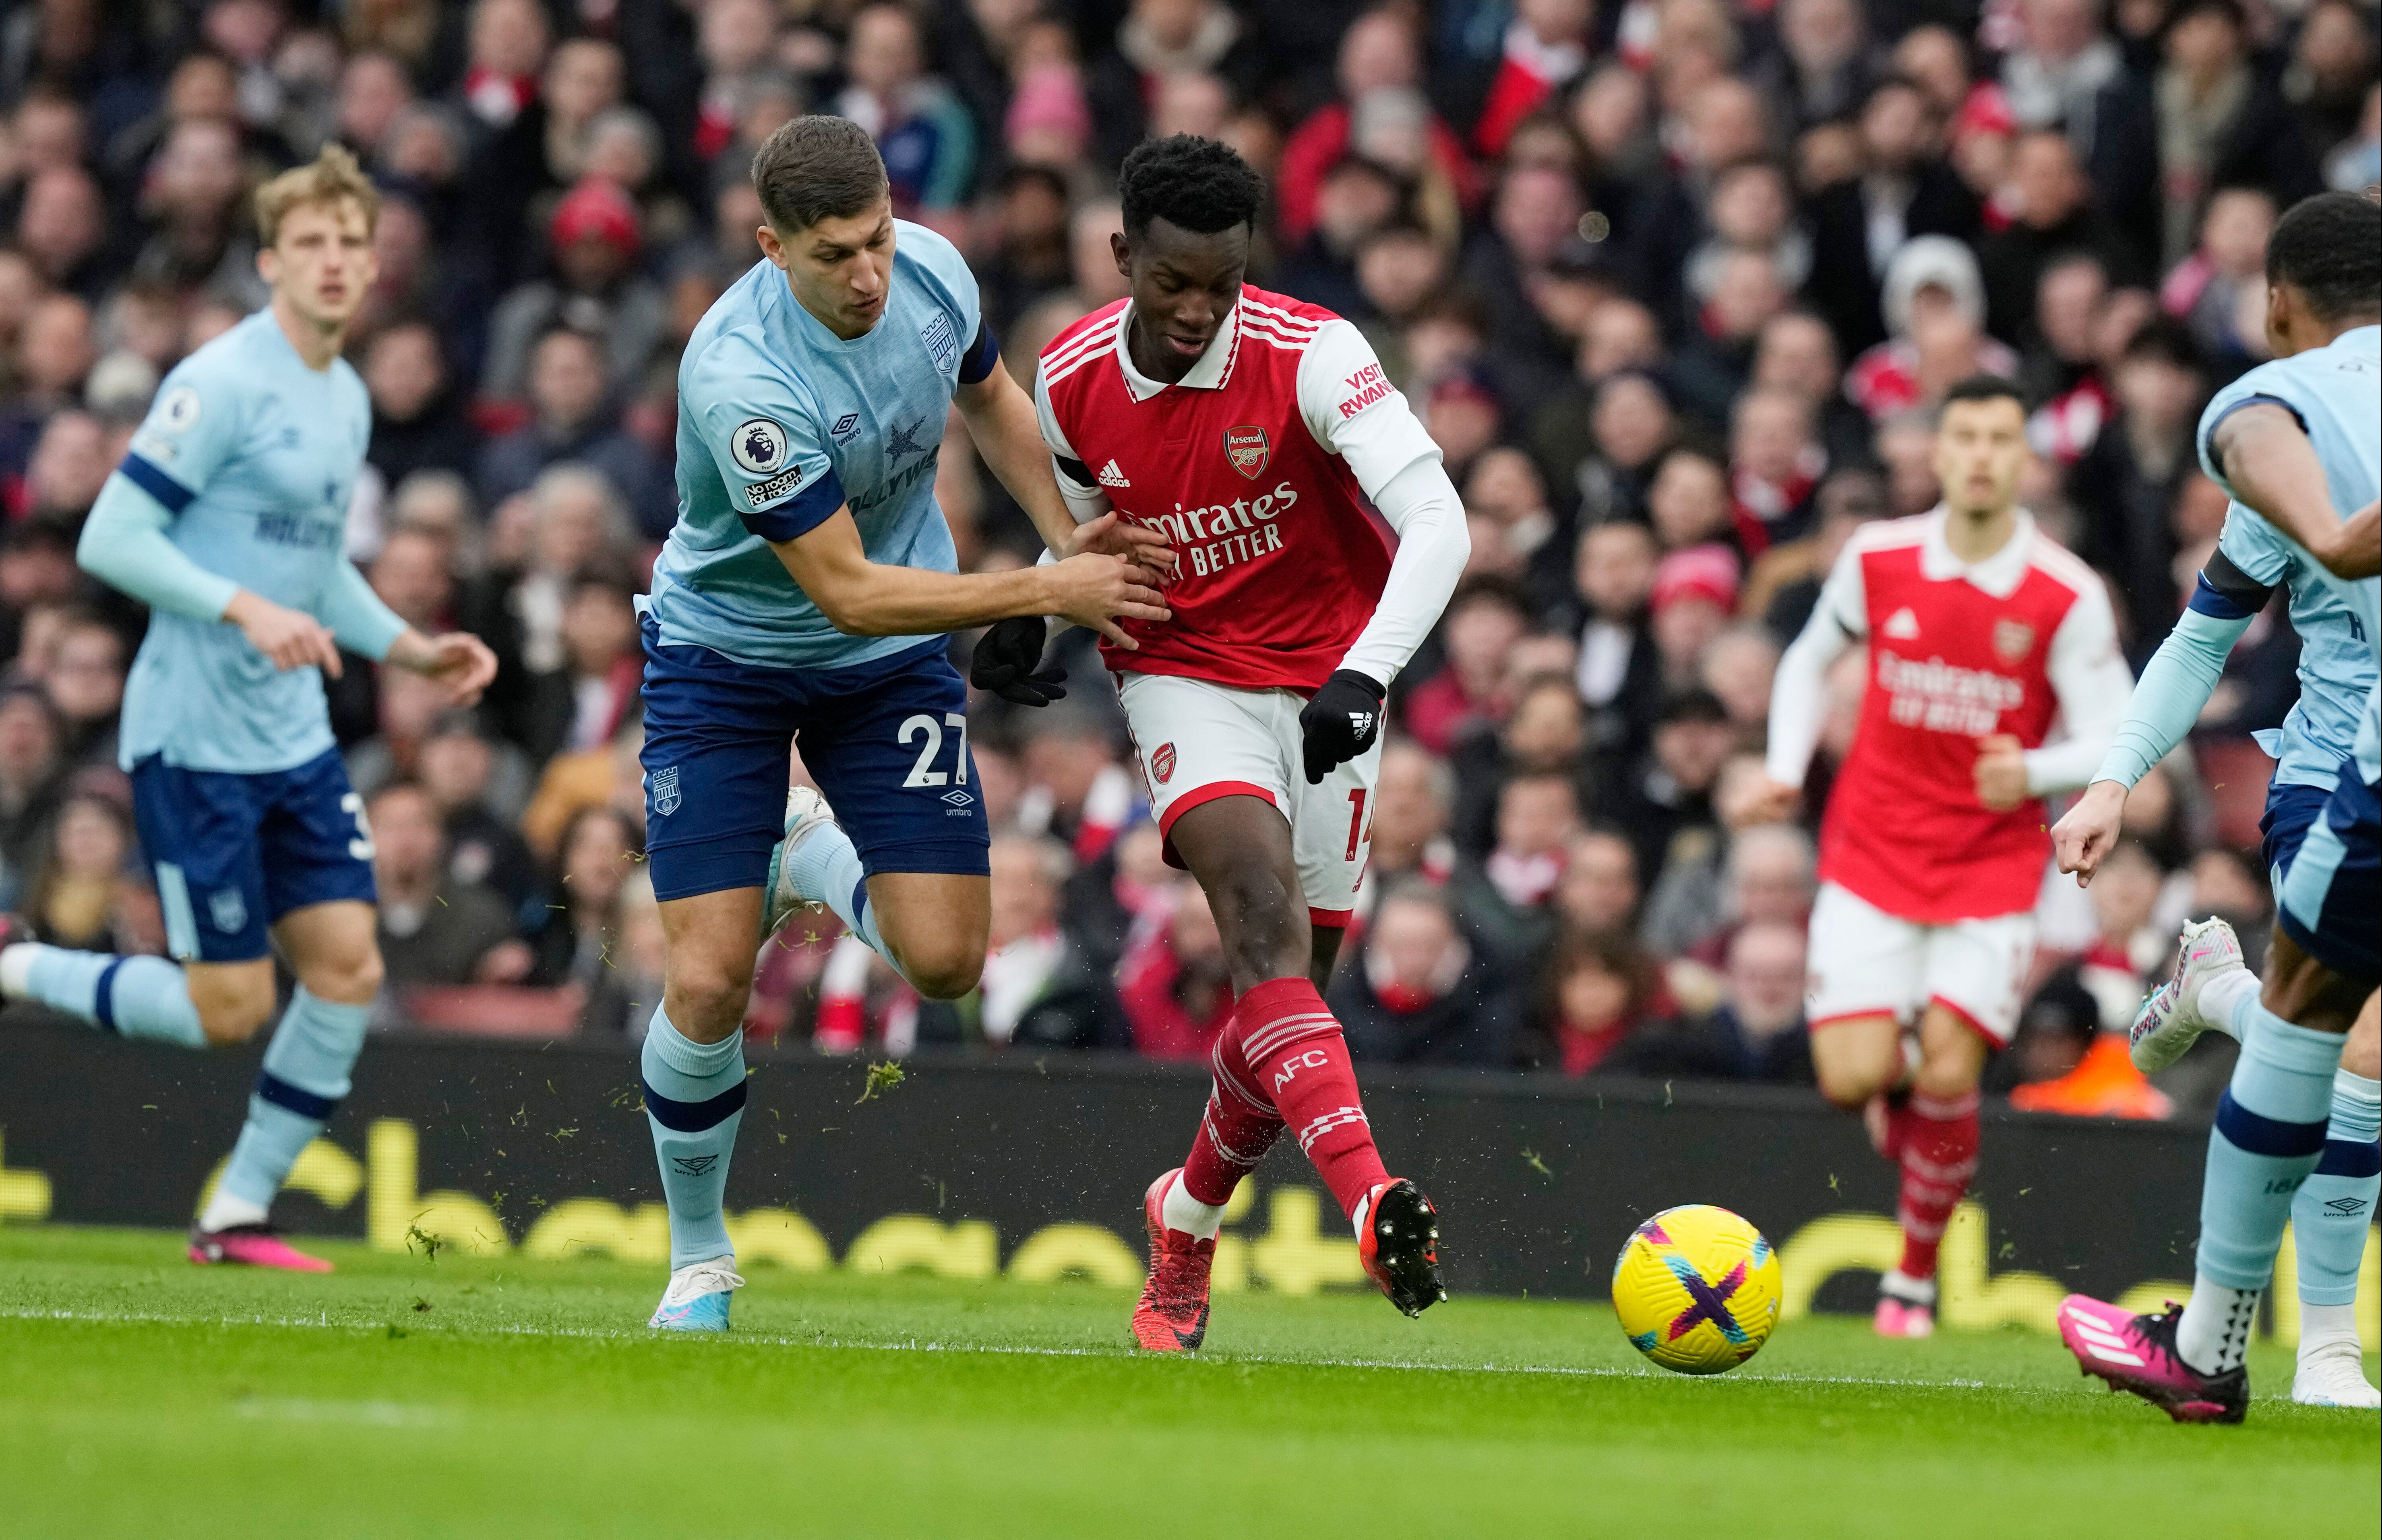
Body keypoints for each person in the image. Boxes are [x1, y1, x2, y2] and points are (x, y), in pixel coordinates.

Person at [631, 117, 1166, 1333]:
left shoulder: (931, 271)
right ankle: (701, 1261)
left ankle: (804, 850)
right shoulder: (739, 379)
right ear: (771, 247)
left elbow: (992, 400)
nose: (868, 273)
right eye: (834, 255)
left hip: (881, 670)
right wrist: (1040, 590)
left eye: (875, 238)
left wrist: (1061, 532)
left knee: (948, 962)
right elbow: (844, 588)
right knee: (709, 981)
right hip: (728, 664)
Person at [1001, 134, 1468, 1351]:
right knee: (1254, 913)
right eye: (1172, 285)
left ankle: (1187, 1217)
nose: (1199, 310)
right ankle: (1372, 1203)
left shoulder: (1312, 354)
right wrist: (1034, 608)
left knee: (1286, 1007)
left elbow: (1436, 519)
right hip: (1180, 668)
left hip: (1327, 678)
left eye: (1222, 281)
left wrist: (1366, 672)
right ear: (1122, 259)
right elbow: (1087, 539)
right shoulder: (1064, 381)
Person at [0, 148, 498, 1272]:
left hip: (294, 740)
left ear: (373, 267)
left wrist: (412, 649)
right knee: (225, 1010)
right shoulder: (219, 382)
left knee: (347, 971)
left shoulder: (347, 397)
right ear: (271, 260)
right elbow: (111, 539)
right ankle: (18, 967)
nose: (332, 263)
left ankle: (237, 1212)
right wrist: (241, 611)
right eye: (309, 245)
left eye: (349, 245)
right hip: (194, 740)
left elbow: (316, 573)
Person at [2052, 192, 2381, 1419]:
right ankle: (2330, 1349)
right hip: (2334, 774)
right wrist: (2110, 779)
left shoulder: (2268, 414)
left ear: (2276, 302)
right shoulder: (2277, 441)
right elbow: (2199, 644)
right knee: (2358, 1049)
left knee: (2322, 1039)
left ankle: (2214, 988)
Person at [1748, 374, 2133, 1339]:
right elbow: (1805, 656)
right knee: (1847, 1075)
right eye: (1964, 435)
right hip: (1872, 848)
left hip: (1990, 867)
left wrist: (2037, 769)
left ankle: (1911, 1280)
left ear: (2023, 458)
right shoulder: (1878, 558)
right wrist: (1788, 766)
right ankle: (1894, 1085)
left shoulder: (2064, 592)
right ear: (1938, 448)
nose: (1979, 456)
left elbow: (2124, 729)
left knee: (1953, 1068)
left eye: (2000, 439)